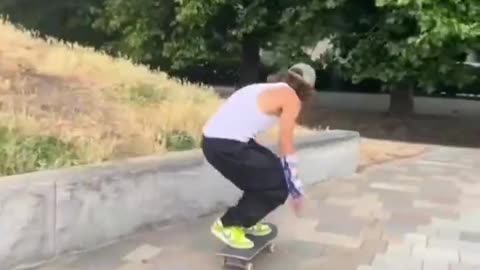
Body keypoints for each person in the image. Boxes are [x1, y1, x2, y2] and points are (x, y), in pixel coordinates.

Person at [201, 63, 316, 249]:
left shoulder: (261, 88)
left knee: (267, 174)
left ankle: (247, 220)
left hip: (215, 142)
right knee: (279, 184)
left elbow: (240, 120)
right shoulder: (291, 99)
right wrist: (295, 189)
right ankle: (229, 225)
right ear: (306, 90)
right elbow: (286, 145)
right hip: (226, 145)